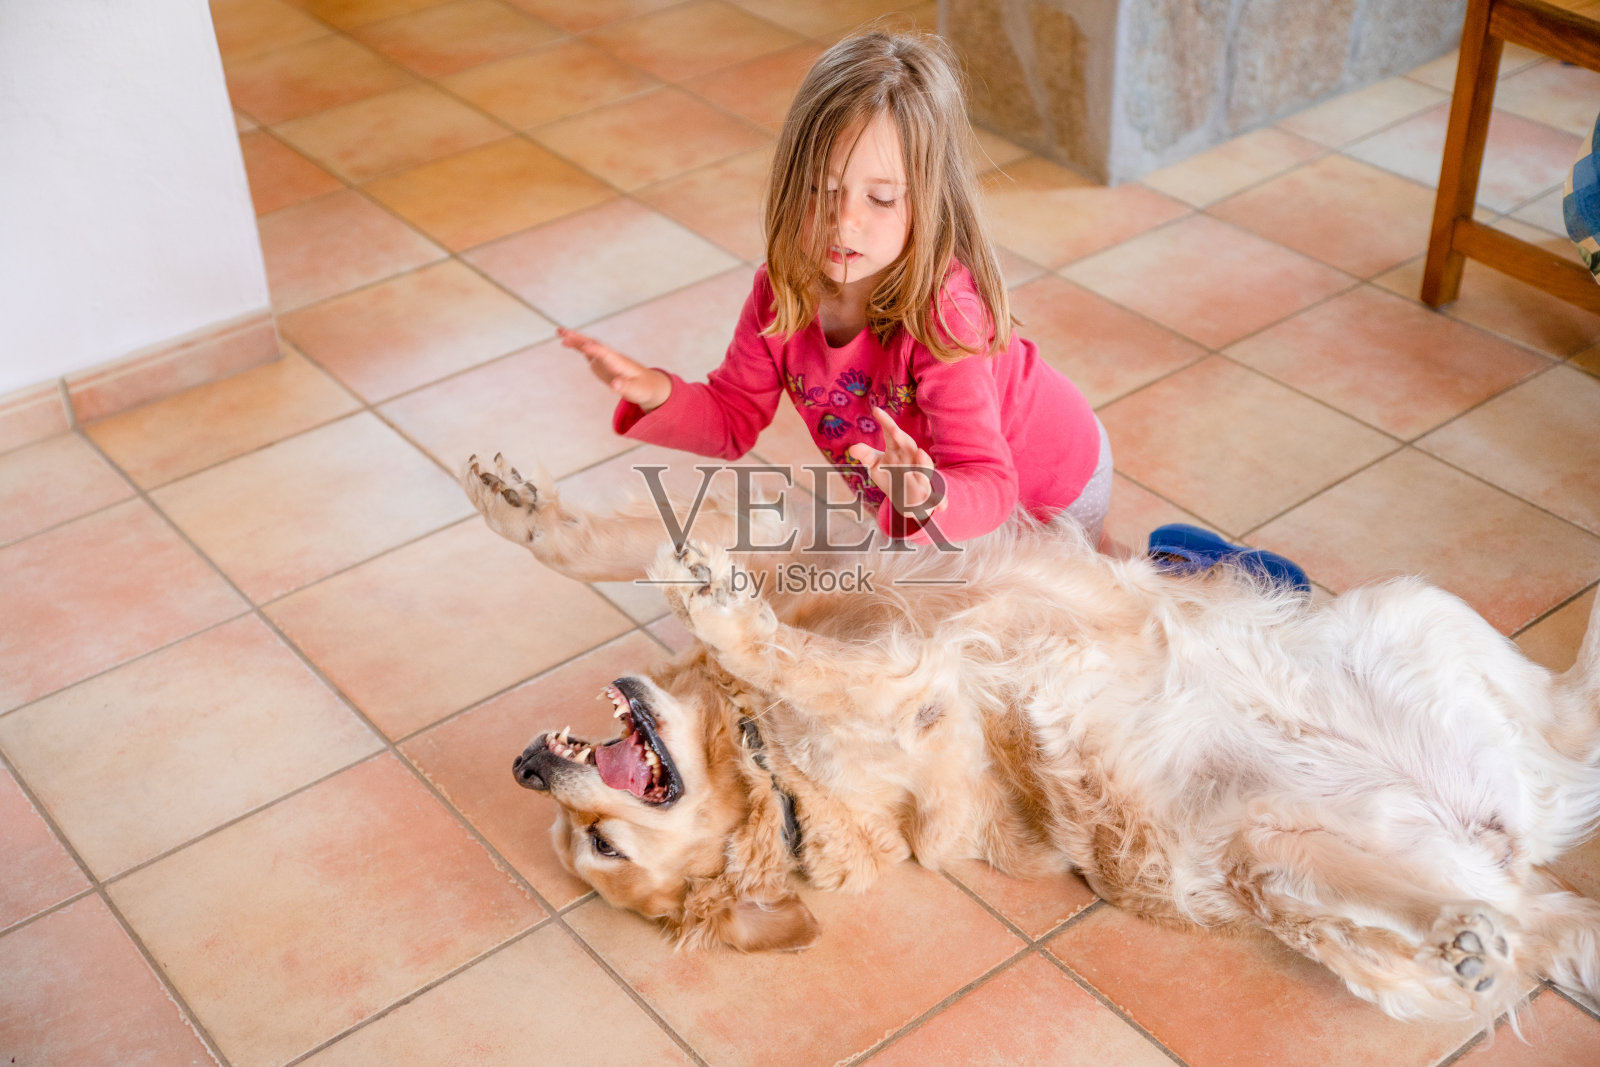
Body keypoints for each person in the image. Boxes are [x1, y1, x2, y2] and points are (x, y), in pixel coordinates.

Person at [558, 30, 1110, 547]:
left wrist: (925, 497)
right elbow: (730, 420)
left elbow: (988, 480)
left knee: (1067, 612)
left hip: (1050, 488)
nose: (843, 222)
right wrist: (654, 390)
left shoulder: (947, 315)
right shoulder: (781, 295)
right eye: (821, 188)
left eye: (881, 198)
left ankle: (1175, 572)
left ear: (931, 203)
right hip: (929, 506)